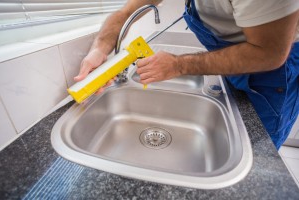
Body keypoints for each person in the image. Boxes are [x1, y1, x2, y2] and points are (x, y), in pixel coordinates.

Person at [75, 0, 299, 150]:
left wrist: (178, 66)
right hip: (237, 58)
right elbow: (126, 12)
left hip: (272, 75)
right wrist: (100, 49)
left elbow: (269, 53)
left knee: (256, 154)